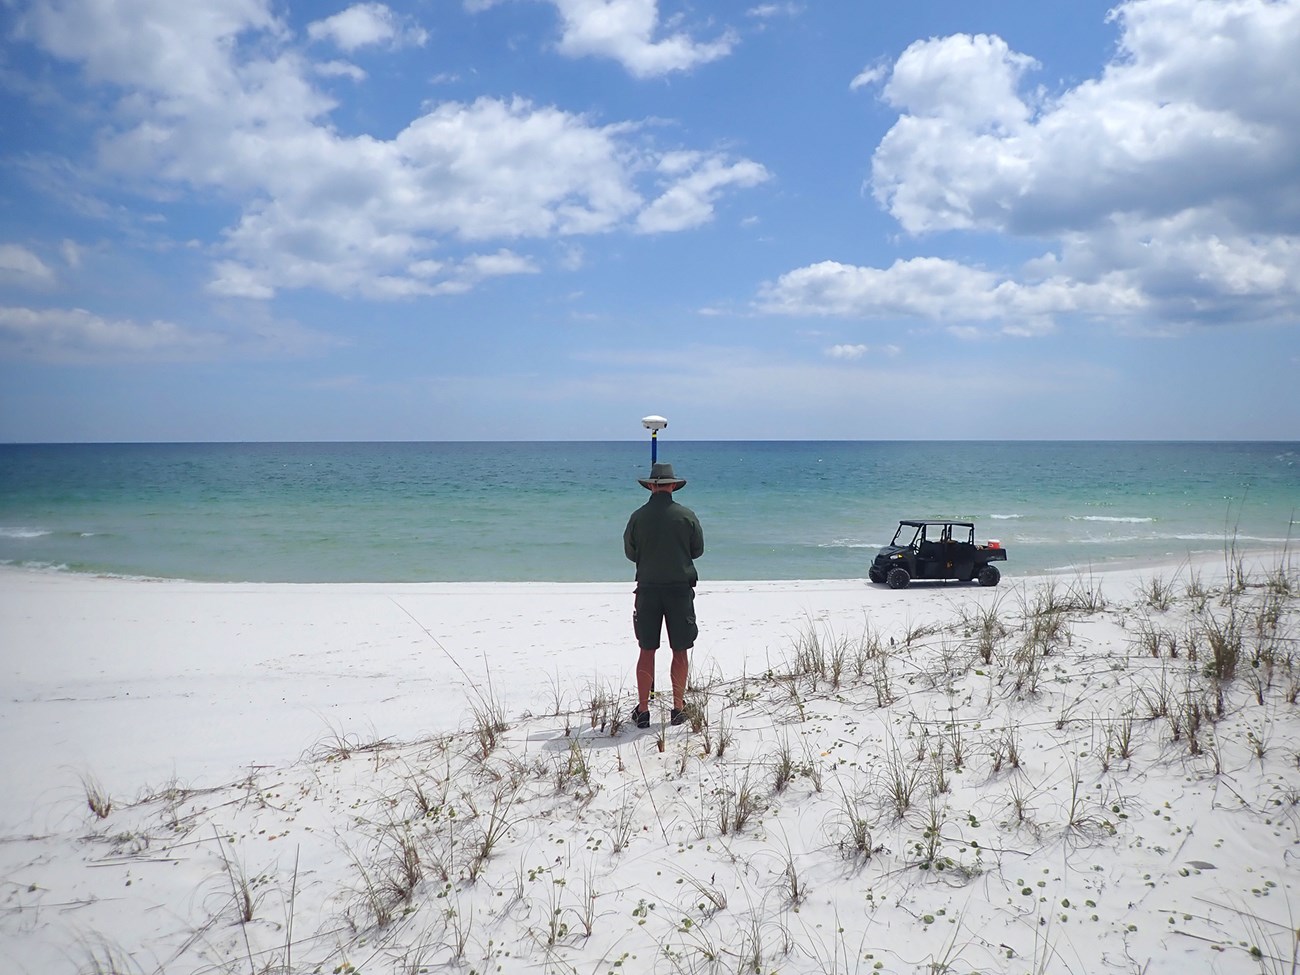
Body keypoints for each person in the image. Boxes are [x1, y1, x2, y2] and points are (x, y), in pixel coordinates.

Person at [623, 461, 705, 729]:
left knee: (647, 649)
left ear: (650, 486)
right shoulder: (686, 515)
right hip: (679, 589)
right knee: (679, 649)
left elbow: (631, 553)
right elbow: (697, 550)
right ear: (672, 486)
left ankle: (644, 709)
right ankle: (678, 708)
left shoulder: (637, 517)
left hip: (647, 588)